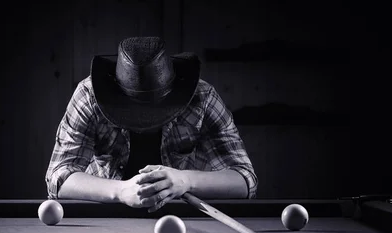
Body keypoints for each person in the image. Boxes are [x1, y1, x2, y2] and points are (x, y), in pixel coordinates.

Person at [45, 37, 257, 213]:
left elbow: (244, 180)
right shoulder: (89, 97)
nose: (143, 120)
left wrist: (185, 180)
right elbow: (58, 177)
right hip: (105, 215)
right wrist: (121, 190)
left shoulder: (203, 98)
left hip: (182, 215)